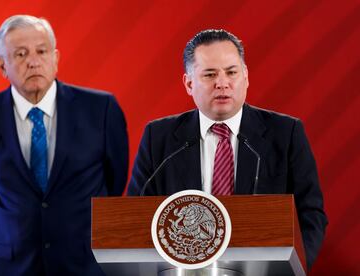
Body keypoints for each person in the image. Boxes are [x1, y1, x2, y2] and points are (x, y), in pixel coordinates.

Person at [127, 29, 327, 269]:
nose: (222, 83)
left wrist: (290, 269)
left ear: (246, 77)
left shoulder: (286, 134)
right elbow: (134, 218)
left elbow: (310, 215)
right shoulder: (159, 138)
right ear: (189, 83)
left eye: (231, 72)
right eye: (210, 75)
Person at [0, 15, 128, 275]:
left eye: (41, 51)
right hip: (13, 264)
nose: (33, 61)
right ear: (2, 65)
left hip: (85, 263)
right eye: (20, 54)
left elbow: (115, 183)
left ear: (56, 58)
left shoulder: (101, 109)